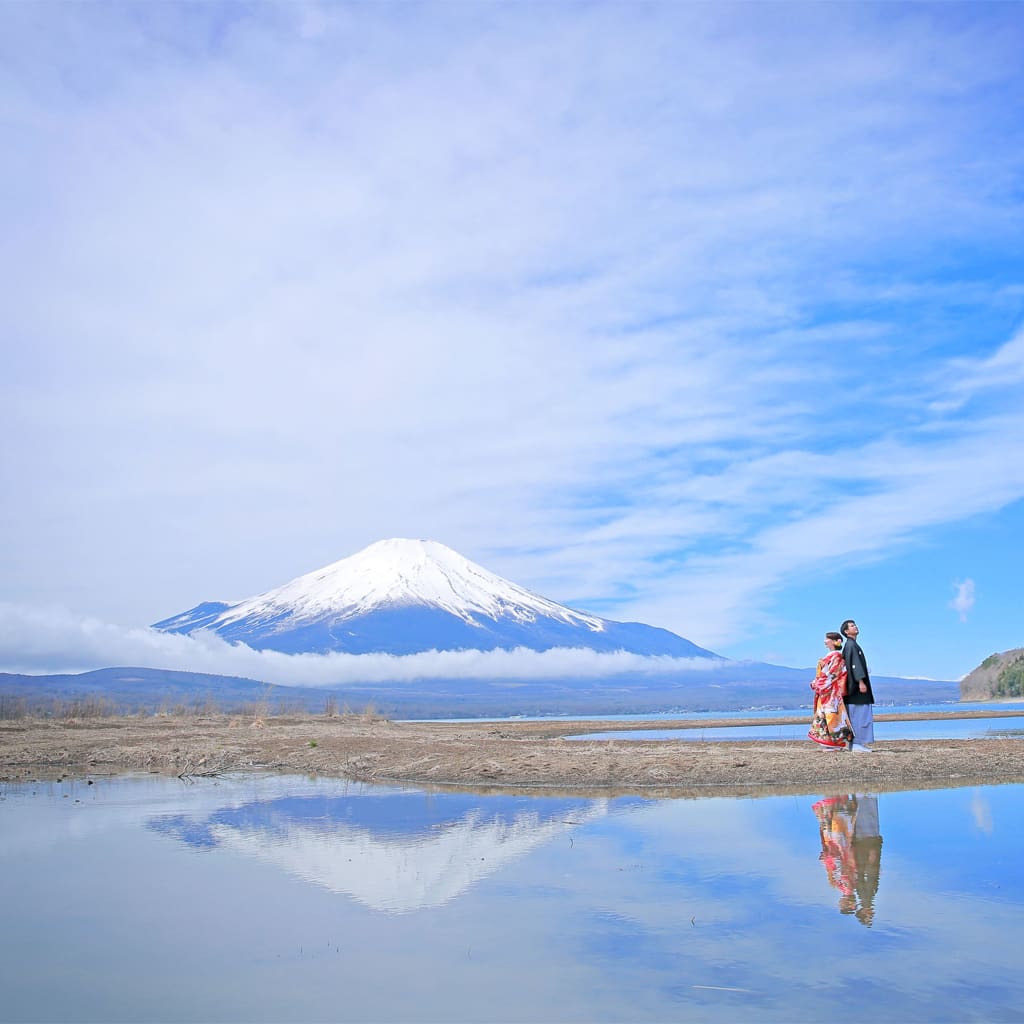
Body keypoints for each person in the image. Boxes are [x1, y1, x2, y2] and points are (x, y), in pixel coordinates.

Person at [808, 632, 854, 750]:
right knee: (823, 715)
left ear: (834, 641)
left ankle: (835, 743)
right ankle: (827, 742)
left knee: (832, 716)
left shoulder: (837, 656)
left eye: (827, 639)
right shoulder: (831, 656)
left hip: (831, 690)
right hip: (825, 690)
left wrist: (818, 683)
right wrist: (818, 682)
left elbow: (832, 674)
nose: (825, 641)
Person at [841, 619, 875, 752]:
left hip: (853, 687)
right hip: (855, 688)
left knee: (856, 715)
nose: (855, 627)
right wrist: (861, 681)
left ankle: (855, 743)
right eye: (851, 626)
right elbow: (855, 666)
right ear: (846, 631)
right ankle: (856, 743)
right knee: (858, 716)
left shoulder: (852, 645)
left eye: (854, 625)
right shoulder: (851, 645)